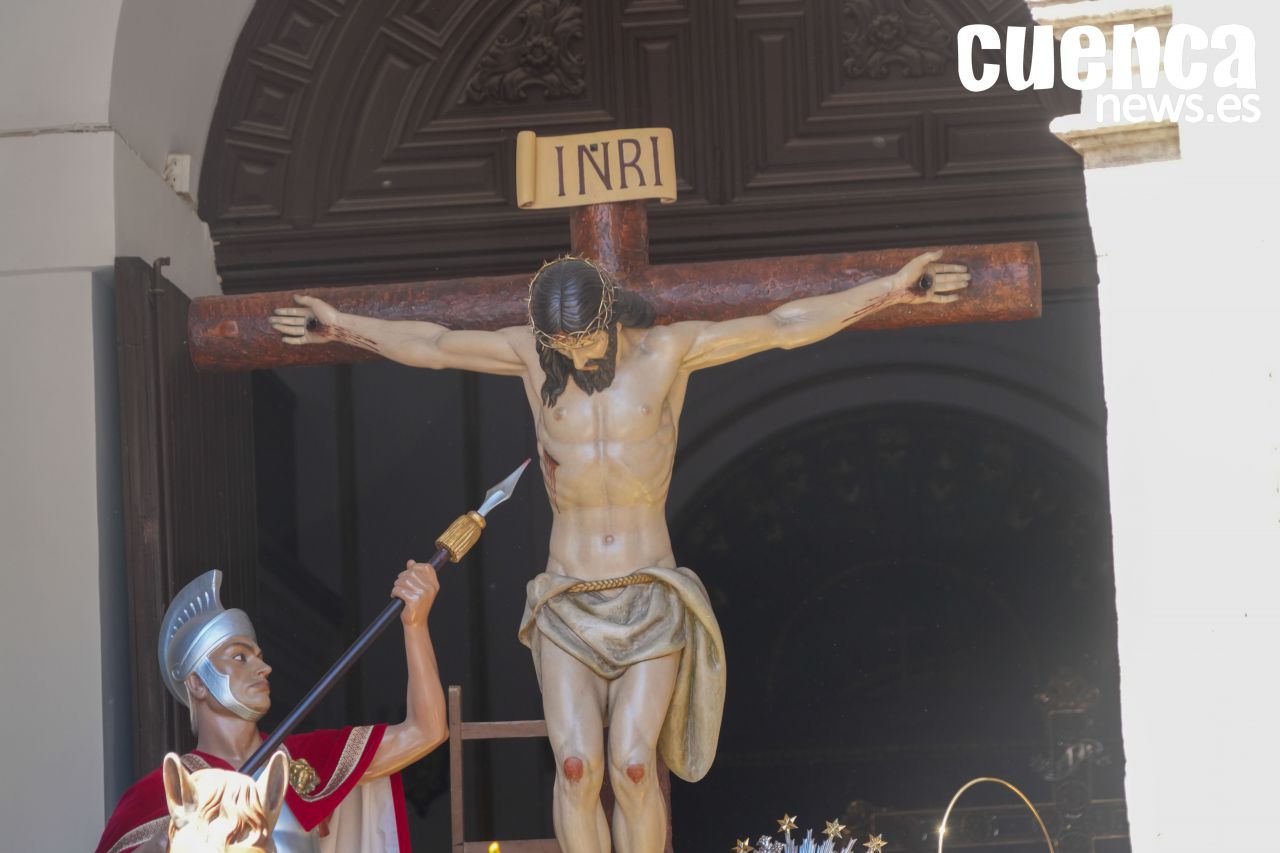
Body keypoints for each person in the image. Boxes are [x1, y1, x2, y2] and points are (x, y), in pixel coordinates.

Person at [270, 251, 969, 853]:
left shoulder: (667, 353)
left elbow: (784, 325)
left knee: (633, 766)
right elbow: (434, 343)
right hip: (567, 594)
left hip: (649, 590)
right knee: (577, 766)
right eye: (560, 345)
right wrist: (341, 325)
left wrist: (892, 290)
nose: (574, 357)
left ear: (609, 315)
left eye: (584, 341)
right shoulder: (531, 356)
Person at [96, 561, 447, 853]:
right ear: (197, 682)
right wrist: (163, 842)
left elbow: (425, 730)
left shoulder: (302, 760)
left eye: (259, 656)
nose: (263, 668)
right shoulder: (160, 793)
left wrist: (415, 624)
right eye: (239, 657)